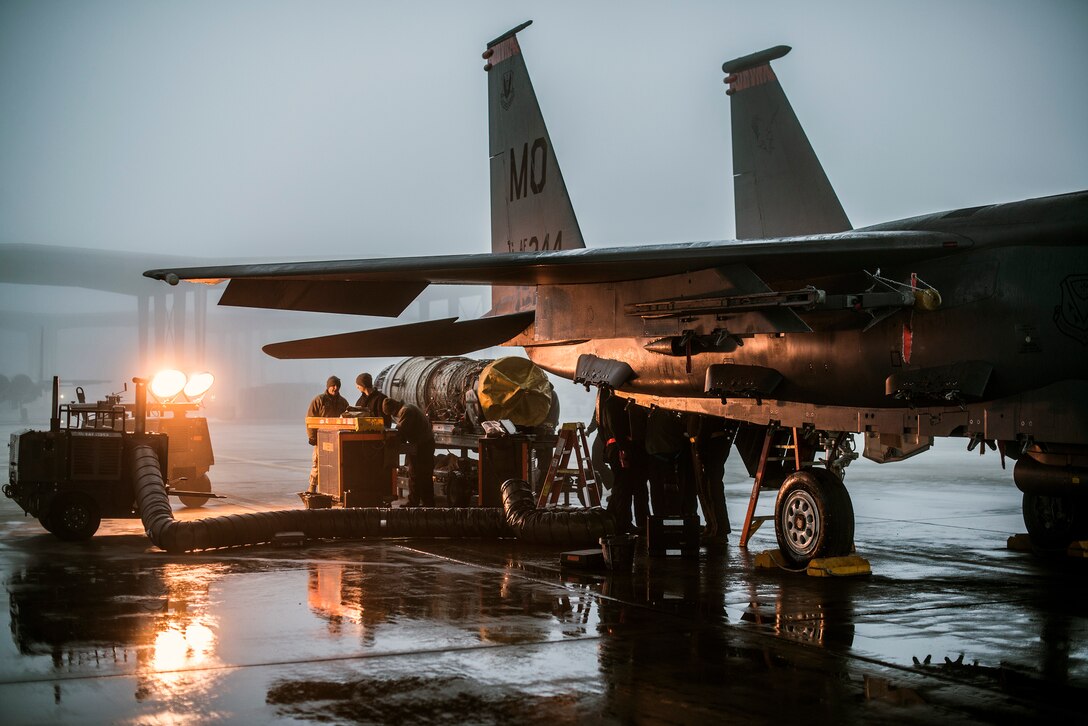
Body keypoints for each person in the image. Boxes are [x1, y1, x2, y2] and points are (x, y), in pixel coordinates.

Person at [382, 398, 436, 507]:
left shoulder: (406, 411)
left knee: (415, 474)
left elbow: (400, 431)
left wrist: (388, 441)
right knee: (424, 475)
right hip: (424, 444)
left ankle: (414, 503)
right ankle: (428, 503)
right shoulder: (407, 407)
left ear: (392, 410)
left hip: (422, 446)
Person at [306, 376, 350, 492]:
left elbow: (348, 419)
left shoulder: (343, 402)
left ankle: (334, 489)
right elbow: (310, 418)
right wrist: (312, 437)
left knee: (337, 464)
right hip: (321, 438)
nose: (335, 388)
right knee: (318, 463)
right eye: (333, 385)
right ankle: (312, 488)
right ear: (328, 386)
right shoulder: (319, 400)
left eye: (337, 386)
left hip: (337, 439)